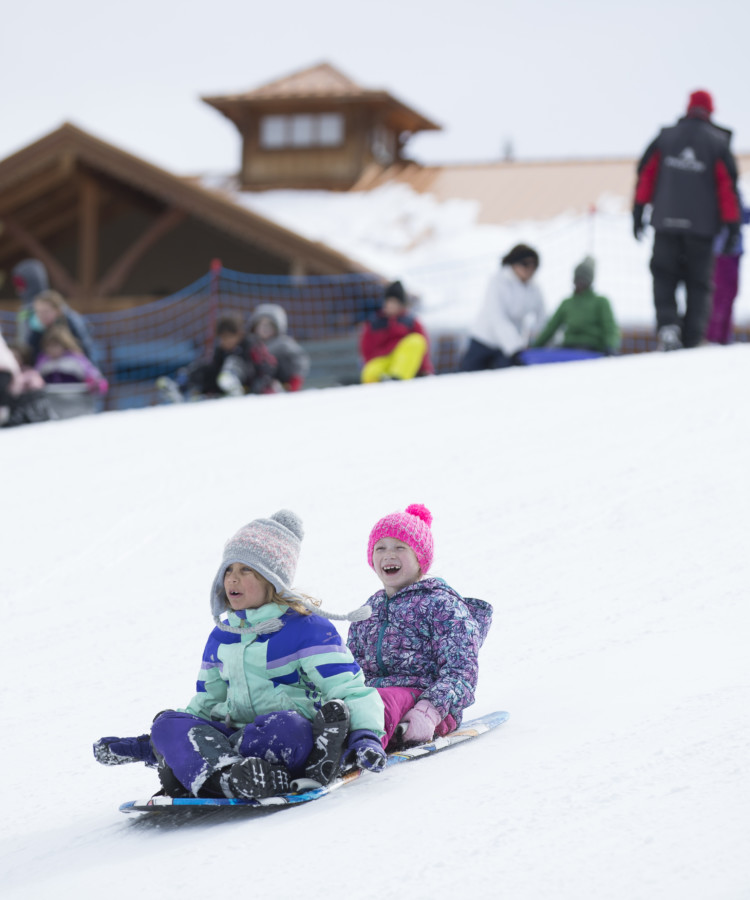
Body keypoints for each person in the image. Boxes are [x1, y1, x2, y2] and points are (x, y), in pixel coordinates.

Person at [93, 510, 387, 799]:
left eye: (246, 570)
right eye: (228, 570)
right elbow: (206, 704)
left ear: (273, 579)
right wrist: (154, 742)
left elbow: (349, 689)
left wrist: (365, 737)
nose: (232, 579)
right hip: (235, 743)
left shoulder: (307, 629)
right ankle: (233, 778)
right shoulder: (223, 635)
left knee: (287, 727)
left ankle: (220, 773)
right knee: (168, 723)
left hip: (286, 736)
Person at [347, 504, 493, 749]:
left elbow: (461, 673)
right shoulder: (368, 611)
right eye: (380, 547)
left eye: (399, 547)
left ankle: (357, 749)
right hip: (371, 700)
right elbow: (351, 668)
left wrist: (429, 711)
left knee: (378, 702)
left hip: (424, 703)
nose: (388, 554)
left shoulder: (442, 606)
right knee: (347, 702)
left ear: (420, 558)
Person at [633, 89, 742, 350]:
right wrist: (733, 228)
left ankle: (668, 327)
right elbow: (727, 189)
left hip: (666, 223)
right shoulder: (717, 143)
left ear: (688, 108)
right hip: (702, 230)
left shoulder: (666, 137)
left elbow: (645, 175)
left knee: (663, 276)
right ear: (711, 110)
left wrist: (637, 212)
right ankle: (693, 338)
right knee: (699, 283)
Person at [458, 244, 545, 371]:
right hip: (483, 341)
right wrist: (515, 348)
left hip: (507, 348)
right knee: (467, 381)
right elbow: (497, 318)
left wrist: (535, 343)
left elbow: (541, 316)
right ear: (514, 263)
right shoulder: (498, 281)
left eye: (534, 265)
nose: (530, 269)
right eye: (525, 264)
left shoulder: (534, 288)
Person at [157, 312, 277, 402]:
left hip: (248, 385)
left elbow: (265, 369)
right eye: (222, 338)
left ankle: (232, 384)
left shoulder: (250, 345)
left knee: (233, 362)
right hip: (221, 386)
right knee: (202, 366)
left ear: (239, 335)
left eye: (229, 337)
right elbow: (213, 369)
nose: (226, 341)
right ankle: (179, 387)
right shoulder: (220, 350)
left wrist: (256, 390)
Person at [528, 256, 620, 359]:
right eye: (577, 279)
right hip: (569, 348)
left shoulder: (601, 302)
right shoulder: (567, 303)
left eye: (583, 280)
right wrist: (534, 348)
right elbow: (550, 328)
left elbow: (610, 328)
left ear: (589, 281)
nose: (579, 283)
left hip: (592, 349)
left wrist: (610, 347)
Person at [359, 280, 434, 383]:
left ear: (401, 305)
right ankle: (378, 389)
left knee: (416, 341)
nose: (391, 305)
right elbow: (366, 350)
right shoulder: (374, 323)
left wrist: (425, 370)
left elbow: (422, 349)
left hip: (403, 364)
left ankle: (397, 380)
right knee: (370, 372)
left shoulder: (411, 322)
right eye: (389, 302)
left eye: (395, 302)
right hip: (382, 360)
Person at [705, 198, 750, 344]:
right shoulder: (717, 182)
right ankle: (713, 337)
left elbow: (741, 215)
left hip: (733, 250)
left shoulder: (731, 184)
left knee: (730, 294)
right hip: (720, 250)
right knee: (720, 295)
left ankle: (724, 337)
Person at [248, 303, 310, 391]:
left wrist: (296, 380)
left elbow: (300, 359)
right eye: (261, 324)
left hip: (282, 382)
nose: (265, 328)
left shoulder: (284, 344)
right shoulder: (251, 344)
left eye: (270, 325)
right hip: (258, 383)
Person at [35, 324, 108, 395]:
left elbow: (91, 373)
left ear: (64, 345)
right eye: (49, 346)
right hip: (52, 400)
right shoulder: (43, 362)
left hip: (74, 399)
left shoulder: (75, 359)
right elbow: (36, 378)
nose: (52, 349)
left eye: (55, 346)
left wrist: (96, 383)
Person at [30, 289, 98, 364]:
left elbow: (85, 348)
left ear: (58, 310)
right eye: (38, 312)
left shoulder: (72, 322)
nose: (41, 316)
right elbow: (32, 351)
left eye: (46, 312)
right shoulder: (37, 326)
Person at [0, 338, 54, 427]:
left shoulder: (29, 373)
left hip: (26, 411)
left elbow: (37, 386)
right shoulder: (12, 374)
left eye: (16, 357)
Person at [11, 258, 49, 346]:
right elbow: (21, 337)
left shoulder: (51, 305)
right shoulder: (24, 309)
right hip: (25, 355)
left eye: (20, 284)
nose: (18, 290)